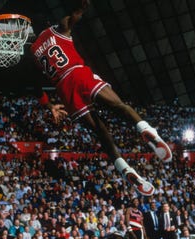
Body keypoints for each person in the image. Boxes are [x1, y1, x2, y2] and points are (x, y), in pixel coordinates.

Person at [29, 0, 172, 196]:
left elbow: (35, 87)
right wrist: (83, 6)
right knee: (119, 105)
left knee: (101, 132)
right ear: (46, 22)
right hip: (77, 74)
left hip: (63, 89)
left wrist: (50, 106)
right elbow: (75, 14)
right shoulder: (59, 28)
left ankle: (124, 168)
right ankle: (147, 131)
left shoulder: (33, 52)